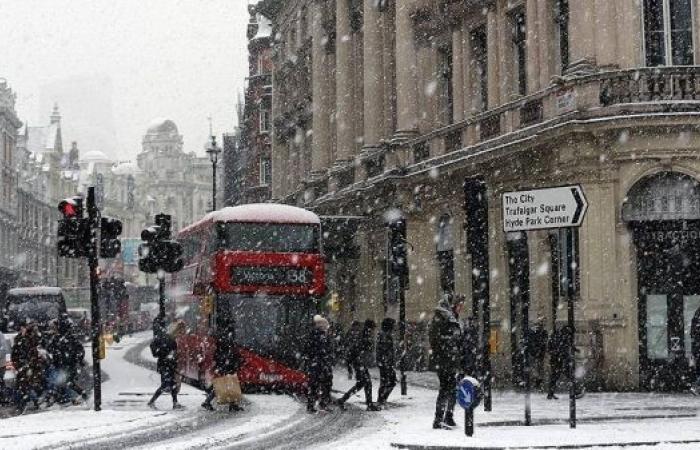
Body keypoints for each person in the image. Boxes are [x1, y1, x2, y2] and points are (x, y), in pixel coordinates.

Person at [429, 293, 463, 429]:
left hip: (449, 359)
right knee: (446, 388)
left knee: (451, 389)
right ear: (452, 305)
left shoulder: (449, 317)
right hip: (444, 359)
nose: (461, 308)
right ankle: (440, 418)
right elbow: (436, 339)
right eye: (459, 305)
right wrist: (451, 343)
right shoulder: (442, 318)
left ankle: (446, 417)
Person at [337, 319, 380, 411]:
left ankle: (343, 399)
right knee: (367, 383)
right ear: (370, 328)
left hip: (360, 363)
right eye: (373, 328)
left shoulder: (363, 334)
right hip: (360, 363)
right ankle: (369, 405)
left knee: (361, 384)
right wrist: (359, 362)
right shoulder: (364, 335)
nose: (373, 330)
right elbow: (358, 350)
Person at [202, 320, 242, 411]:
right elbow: (228, 352)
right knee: (226, 383)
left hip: (223, 364)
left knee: (225, 383)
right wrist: (230, 362)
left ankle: (232, 404)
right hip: (226, 364)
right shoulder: (227, 339)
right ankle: (208, 402)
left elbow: (219, 353)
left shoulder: (223, 337)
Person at [147, 319, 183, 410]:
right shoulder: (164, 338)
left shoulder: (169, 339)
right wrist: (166, 354)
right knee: (165, 384)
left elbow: (174, 352)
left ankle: (175, 403)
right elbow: (161, 351)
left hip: (168, 364)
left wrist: (174, 360)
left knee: (173, 383)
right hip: (165, 364)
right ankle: (151, 402)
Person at [12, 322, 44, 413]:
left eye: (24, 328)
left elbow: (34, 351)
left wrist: (32, 363)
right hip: (22, 366)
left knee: (29, 385)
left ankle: (32, 402)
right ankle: (28, 403)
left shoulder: (31, 338)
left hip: (31, 366)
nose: (23, 330)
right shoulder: (18, 339)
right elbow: (14, 353)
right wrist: (17, 365)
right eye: (21, 328)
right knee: (23, 385)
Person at [305, 315, 334, 413]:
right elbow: (315, 350)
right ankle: (316, 405)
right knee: (318, 385)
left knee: (320, 385)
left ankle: (316, 405)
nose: (326, 327)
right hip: (318, 364)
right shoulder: (318, 335)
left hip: (319, 364)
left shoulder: (320, 335)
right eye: (325, 325)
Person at [547, 324, 573, 400]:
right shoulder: (561, 338)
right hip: (558, 360)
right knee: (560, 376)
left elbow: (565, 347)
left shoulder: (558, 337)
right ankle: (575, 391)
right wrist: (558, 354)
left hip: (558, 360)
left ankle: (550, 394)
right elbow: (561, 349)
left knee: (555, 377)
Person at [376, 318, 396, 406]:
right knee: (389, 381)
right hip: (385, 362)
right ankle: (381, 399)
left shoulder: (385, 334)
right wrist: (386, 362)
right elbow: (384, 350)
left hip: (385, 362)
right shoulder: (384, 335)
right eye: (393, 325)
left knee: (387, 381)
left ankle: (381, 399)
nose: (394, 327)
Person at [529, 320, 548, 390]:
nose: (538, 327)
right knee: (537, 368)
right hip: (536, 353)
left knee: (539, 367)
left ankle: (539, 381)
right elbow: (535, 342)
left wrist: (539, 349)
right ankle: (538, 381)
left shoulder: (542, 333)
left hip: (539, 354)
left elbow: (543, 342)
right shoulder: (536, 333)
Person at [691, 306, 700, 395]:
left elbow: (692, 333)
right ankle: (695, 386)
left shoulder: (697, 314)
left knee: (698, 369)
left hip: (697, 347)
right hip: (697, 347)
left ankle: (696, 386)